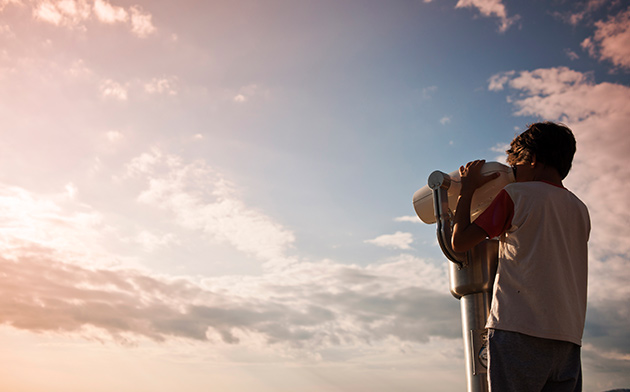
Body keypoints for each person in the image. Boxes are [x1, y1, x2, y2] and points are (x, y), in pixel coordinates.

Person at [451, 122, 590, 392]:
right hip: (568, 339)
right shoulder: (580, 208)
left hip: (519, 331)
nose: (513, 173)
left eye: (515, 166)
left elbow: (460, 242)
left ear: (532, 158)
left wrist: (467, 189)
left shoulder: (516, 195)